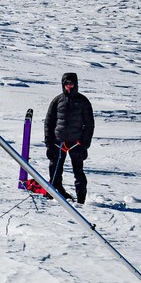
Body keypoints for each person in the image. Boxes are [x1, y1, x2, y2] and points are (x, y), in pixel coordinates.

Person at [44, 72, 95, 204]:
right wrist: (49, 142)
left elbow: (89, 125)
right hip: (58, 142)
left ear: (76, 84)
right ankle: (54, 192)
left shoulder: (83, 101)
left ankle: (81, 199)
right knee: (55, 170)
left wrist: (84, 144)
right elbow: (49, 122)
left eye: (71, 84)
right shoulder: (57, 101)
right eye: (66, 84)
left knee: (78, 172)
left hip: (76, 143)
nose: (69, 86)